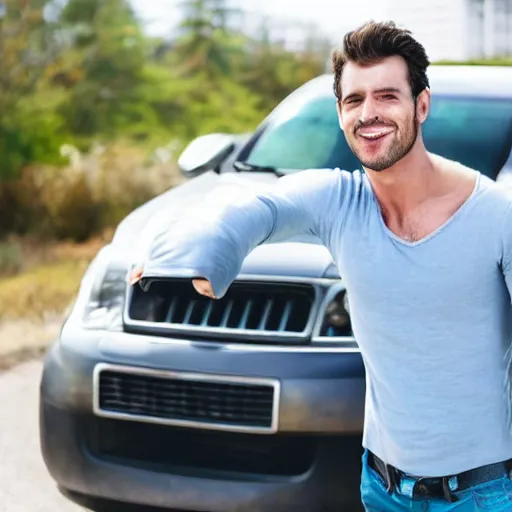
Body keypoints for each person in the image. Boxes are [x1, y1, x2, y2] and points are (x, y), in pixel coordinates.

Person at [129, 20, 512, 511]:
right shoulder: (340, 201)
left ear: (422, 105)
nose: (369, 114)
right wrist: (192, 250)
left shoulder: (495, 214)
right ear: (340, 113)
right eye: (355, 100)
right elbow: (258, 208)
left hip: (484, 495)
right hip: (382, 488)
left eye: (387, 96)